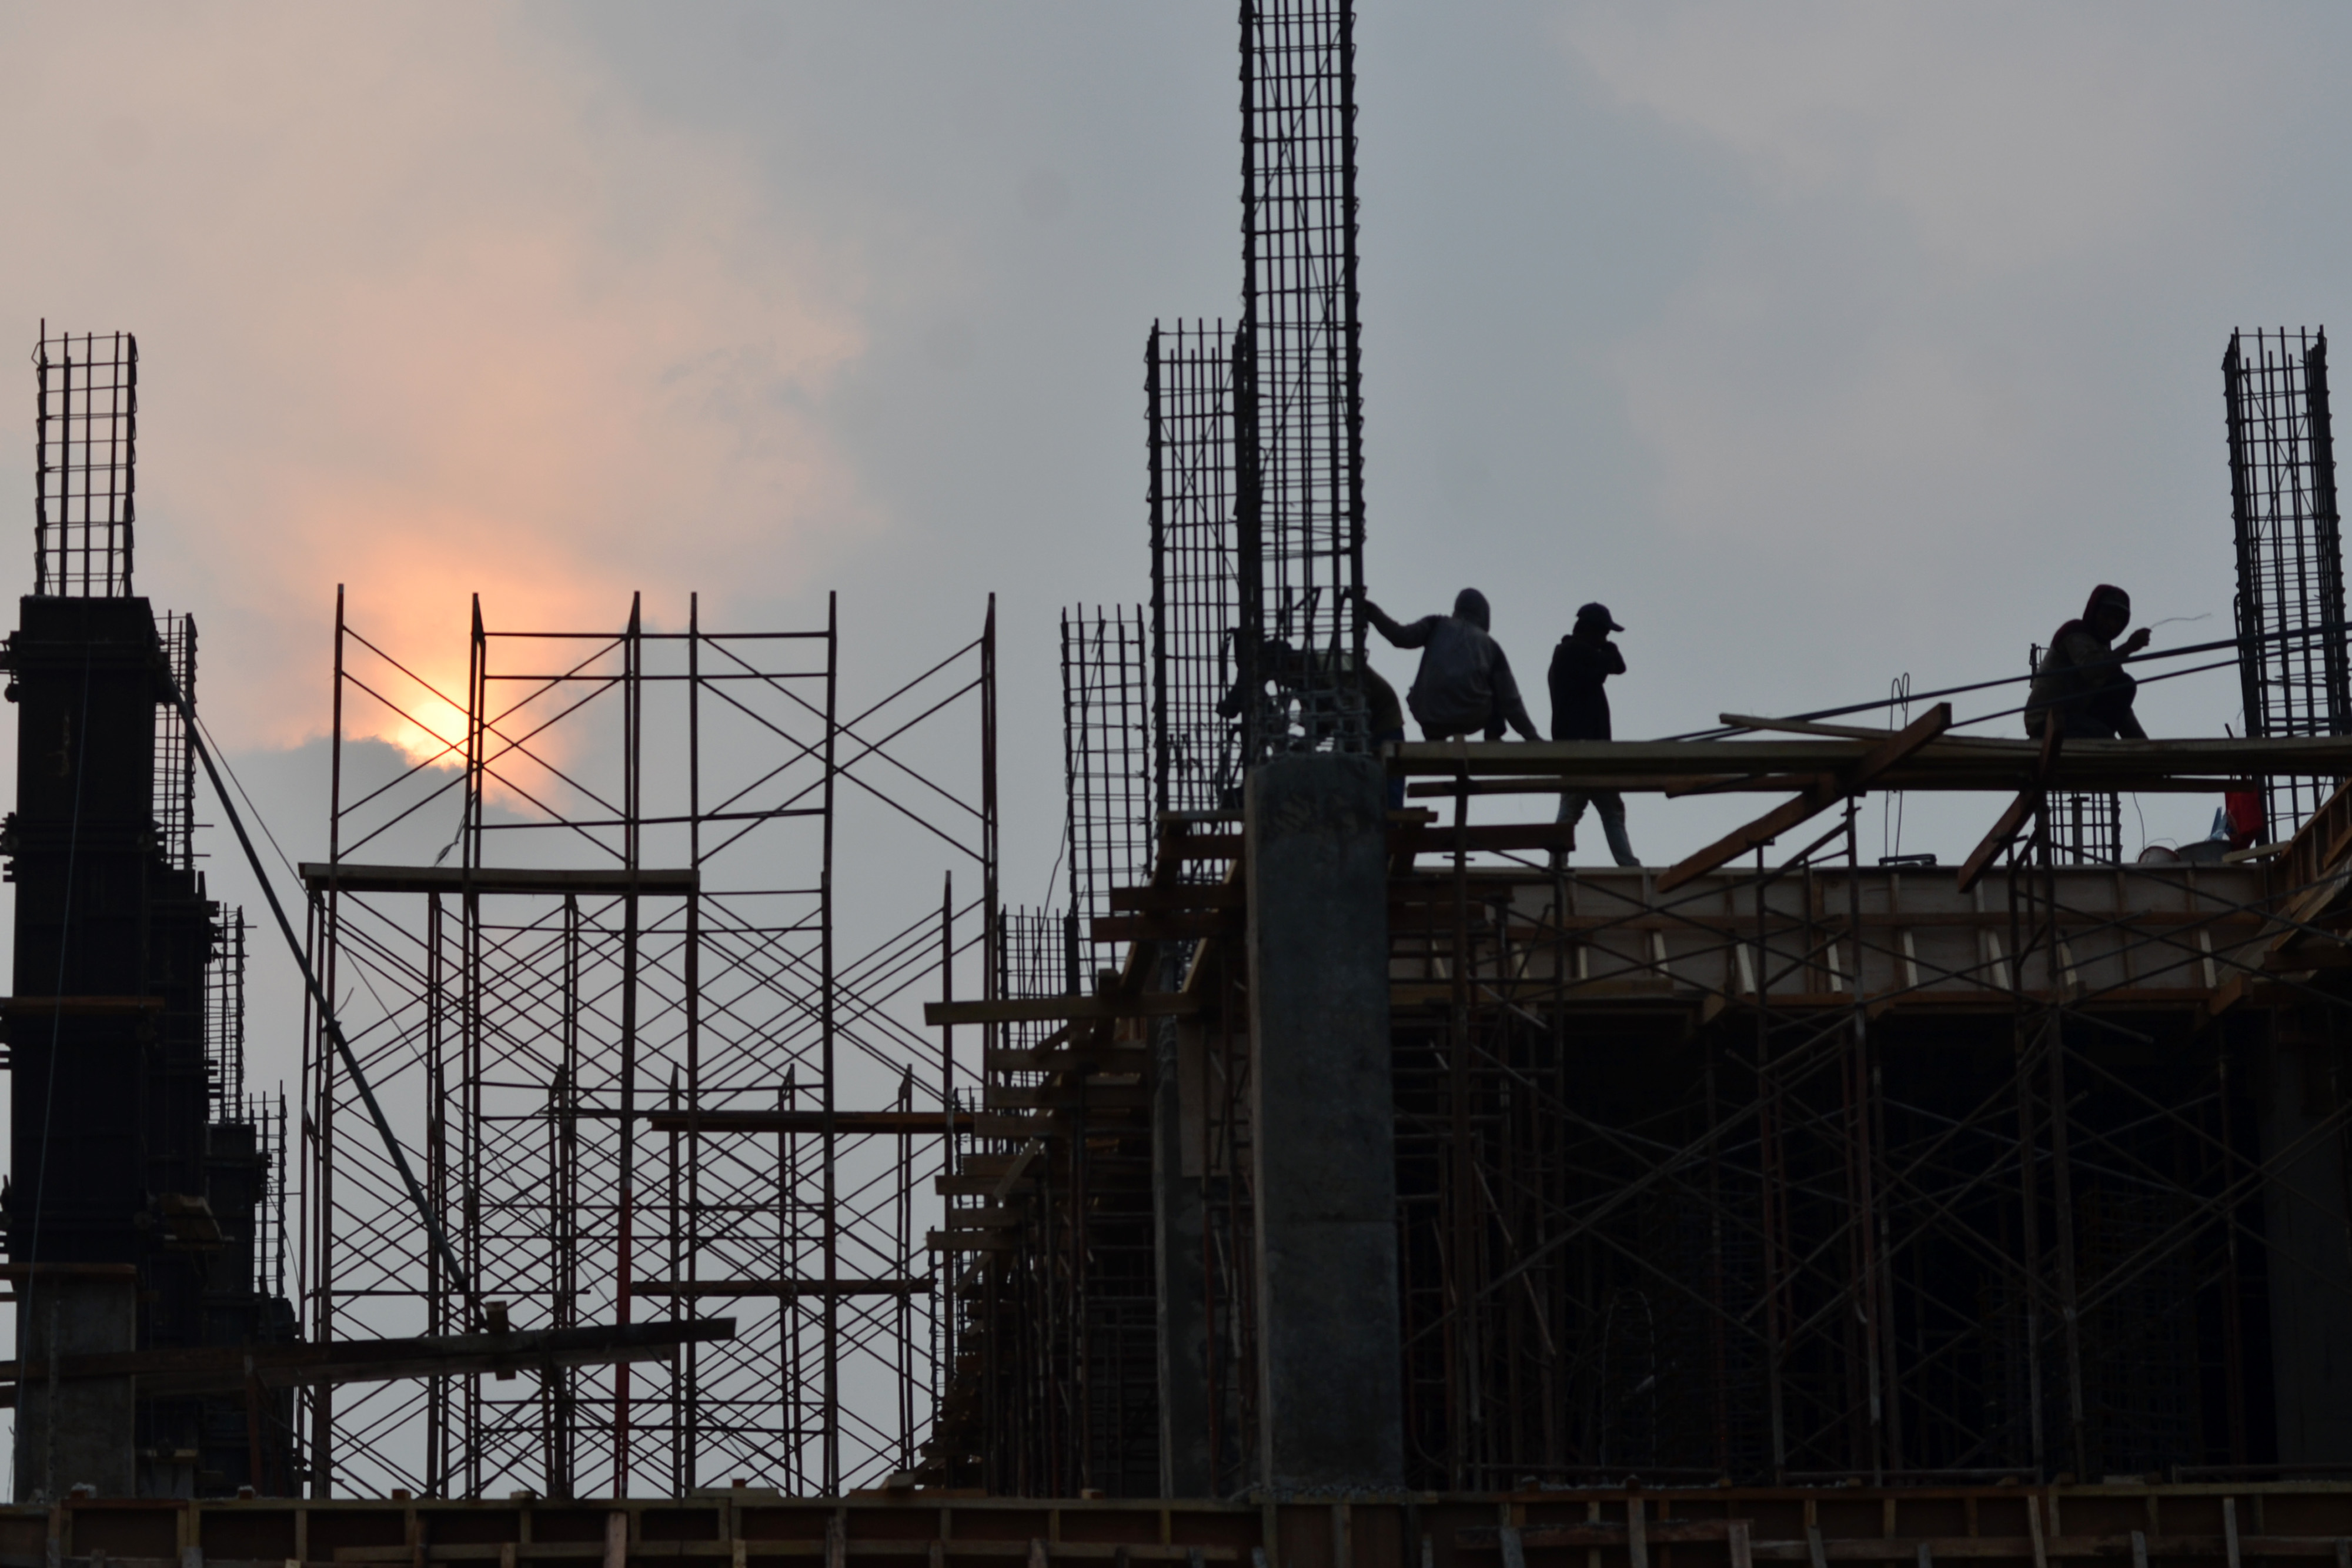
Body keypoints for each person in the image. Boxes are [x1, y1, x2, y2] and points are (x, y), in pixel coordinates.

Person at [1360, 587, 1541, 743]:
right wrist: (1532, 737)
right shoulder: (1491, 646)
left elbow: (1401, 637)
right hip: (1471, 716)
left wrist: (1373, 612)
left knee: (1418, 696)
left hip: (1431, 717)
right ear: (1485, 616)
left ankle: (1433, 737)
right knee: (1500, 693)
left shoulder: (1436, 624)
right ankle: (1493, 735)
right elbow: (1511, 701)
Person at [1548, 601, 1638, 866]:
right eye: (1603, 633)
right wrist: (1607, 649)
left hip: (1587, 750)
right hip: (1583, 750)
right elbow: (1613, 666)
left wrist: (1607, 647)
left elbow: (1617, 666)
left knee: (1597, 808)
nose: (1606, 639)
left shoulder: (1572, 653)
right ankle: (1557, 865)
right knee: (1580, 808)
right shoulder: (1571, 652)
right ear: (1590, 631)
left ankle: (1558, 865)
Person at [2024, 584, 2150, 740]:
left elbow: (2123, 711)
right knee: (2102, 735)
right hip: (2046, 722)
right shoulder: (2075, 632)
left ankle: (2101, 737)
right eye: (2106, 616)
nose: (2111, 624)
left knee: (2123, 686)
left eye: (2118, 620)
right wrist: (2129, 647)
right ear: (2094, 612)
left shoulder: (2107, 657)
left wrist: (2147, 747)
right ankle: (2100, 737)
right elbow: (2090, 668)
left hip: (2080, 722)